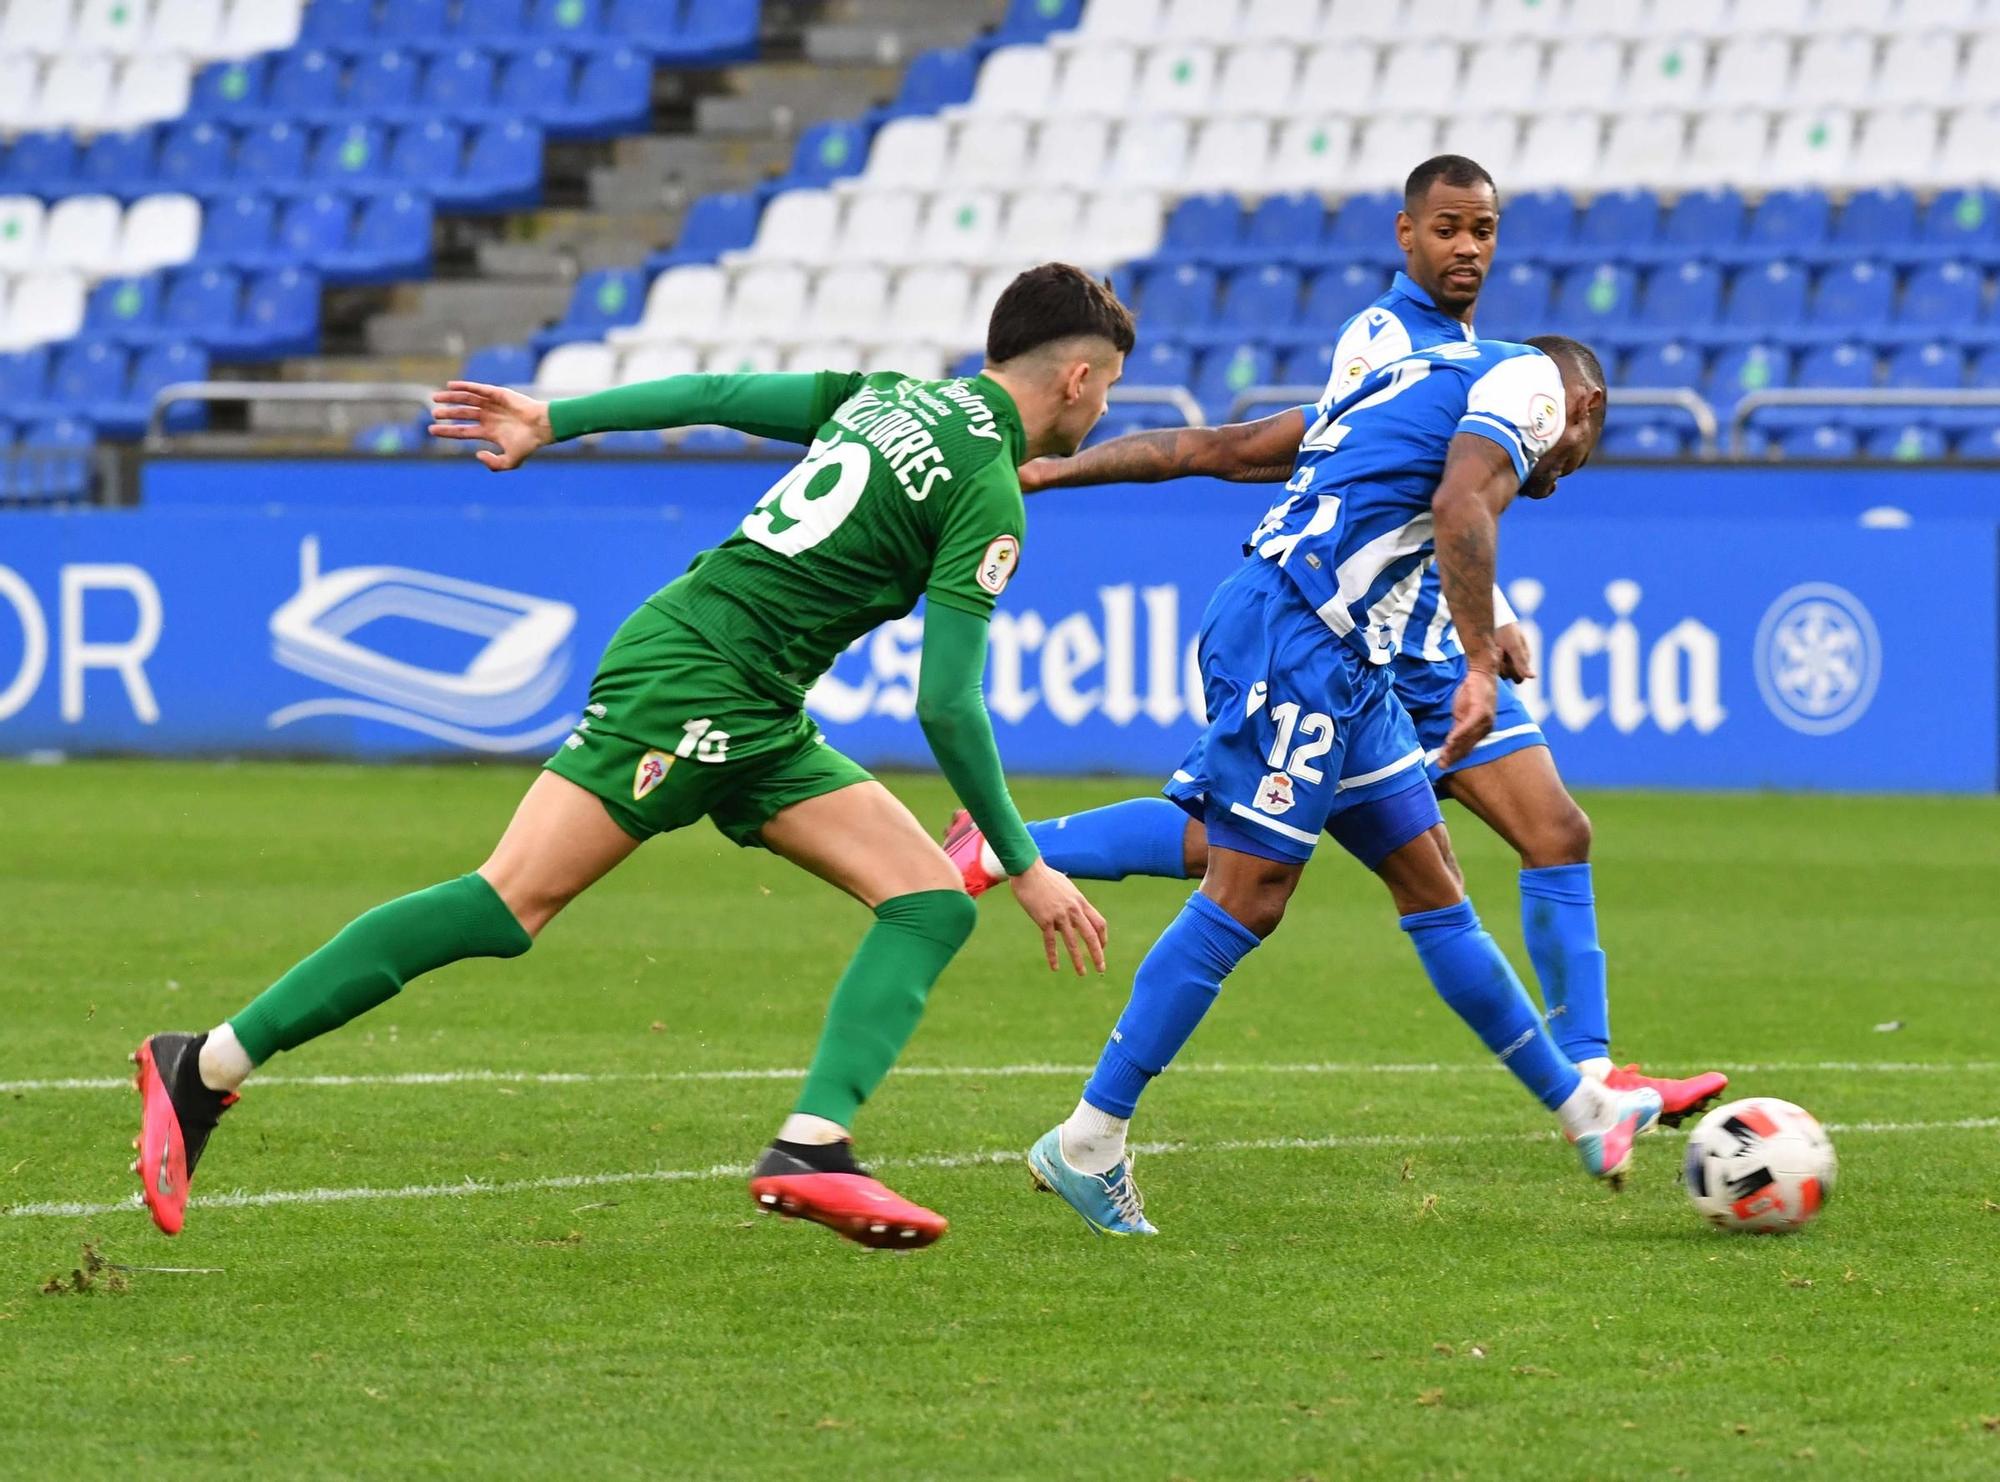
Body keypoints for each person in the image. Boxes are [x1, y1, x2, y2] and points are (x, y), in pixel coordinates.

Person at [128, 263, 1130, 1251]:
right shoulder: (989, 490)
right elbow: (946, 704)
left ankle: (812, 1145)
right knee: (506, 902)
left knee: (926, 898)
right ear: (1075, 380)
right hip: (697, 680)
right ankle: (205, 1063)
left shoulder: (892, 397)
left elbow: (717, 394)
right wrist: (1026, 862)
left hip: (751, 697)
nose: (1105, 406)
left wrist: (552, 419)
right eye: (1111, 386)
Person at [946, 155, 1725, 1125]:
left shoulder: (1459, 348)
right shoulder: (1388, 335)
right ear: (1406, 234)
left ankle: (1588, 1091)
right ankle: (1029, 910)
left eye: (1481, 231)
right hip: (1361, 641)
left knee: (1498, 844)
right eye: (1446, 229)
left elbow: (1419, 493)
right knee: (1236, 864)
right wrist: (1480, 642)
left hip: (1401, 633)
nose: (1465, 248)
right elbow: (1359, 481)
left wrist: (1492, 611)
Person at [1020, 332, 1667, 1237]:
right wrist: (1482, 656)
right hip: (1296, 638)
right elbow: (1458, 507)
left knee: (1432, 882)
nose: (1557, 465)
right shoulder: (1528, 394)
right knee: (1245, 892)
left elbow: (1220, 449)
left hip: (1348, 660)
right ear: (1580, 409)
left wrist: (1054, 476)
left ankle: (1582, 1110)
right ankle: (1089, 1138)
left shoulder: (1408, 385)